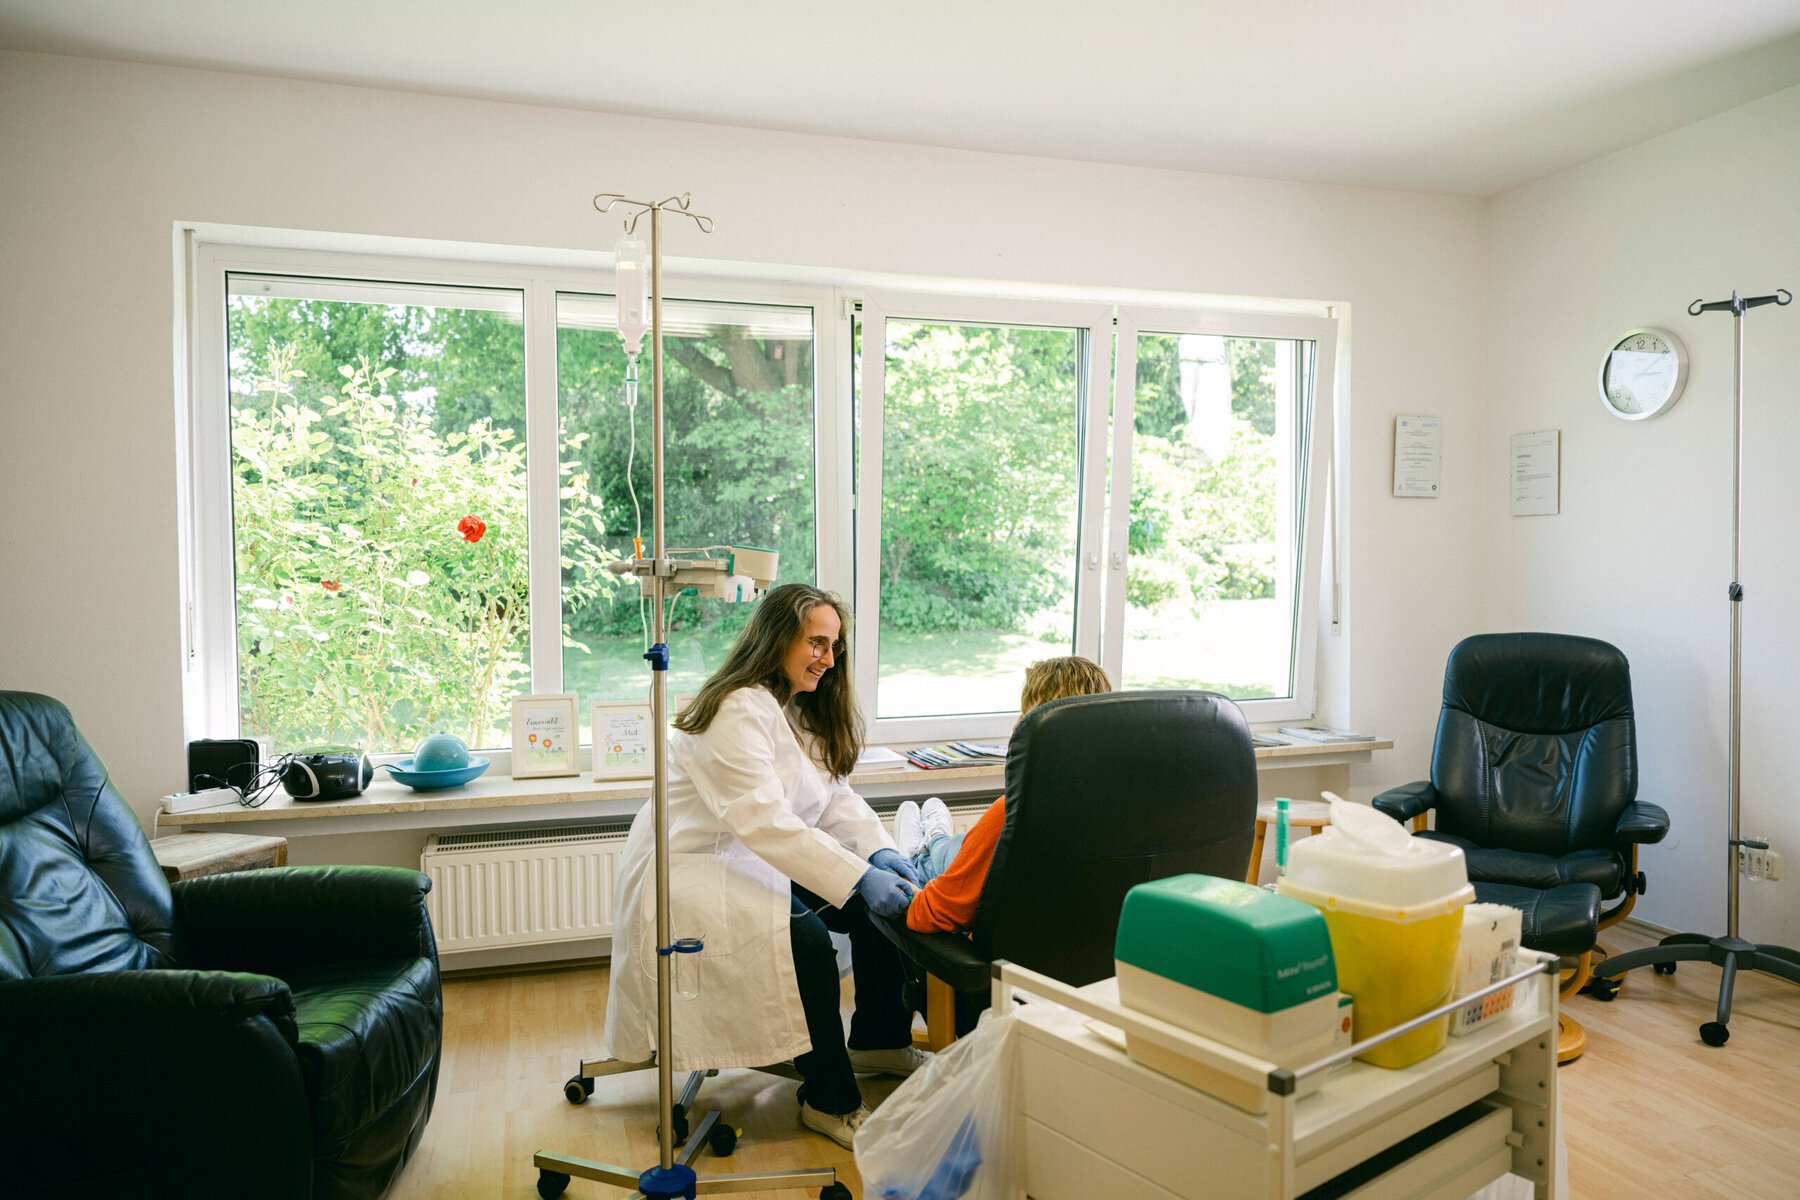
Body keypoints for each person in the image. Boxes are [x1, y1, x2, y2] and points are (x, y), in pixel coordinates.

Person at [602, 583, 928, 1150]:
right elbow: (765, 823)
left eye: (834, 646)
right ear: (778, 639)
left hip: (754, 851)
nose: (828, 659)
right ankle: (830, 1101)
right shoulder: (737, 708)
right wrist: (858, 876)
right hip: (696, 864)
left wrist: (880, 855)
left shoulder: (795, 705)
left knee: (888, 901)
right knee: (803, 940)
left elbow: (833, 798)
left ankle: (877, 1039)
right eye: (817, 643)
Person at [895, 655, 1112, 935]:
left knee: (934, 861)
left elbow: (930, 915)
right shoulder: (1125, 810)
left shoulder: (1013, 813)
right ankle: (937, 836)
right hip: (1088, 964)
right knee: (957, 847)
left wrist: (906, 889)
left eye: (1024, 716)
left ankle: (918, 851)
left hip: (1001, 965)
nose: (1015, 727)